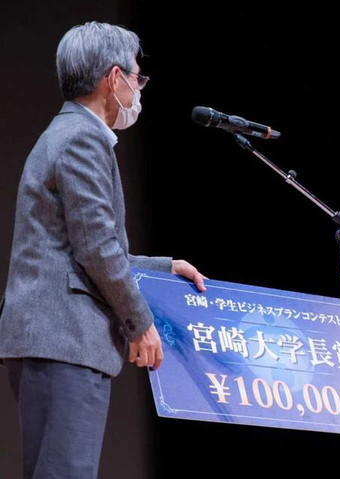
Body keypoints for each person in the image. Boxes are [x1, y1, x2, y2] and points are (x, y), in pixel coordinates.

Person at [0, 22, 206, 478]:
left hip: (54, 340)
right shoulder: (82, 137)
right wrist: (140, 324)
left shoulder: (68, 133)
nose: (139, 89)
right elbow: (96, 248)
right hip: (64, 339)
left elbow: (86, 245)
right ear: (114, 79)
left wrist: (164, 269)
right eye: (137, 77)